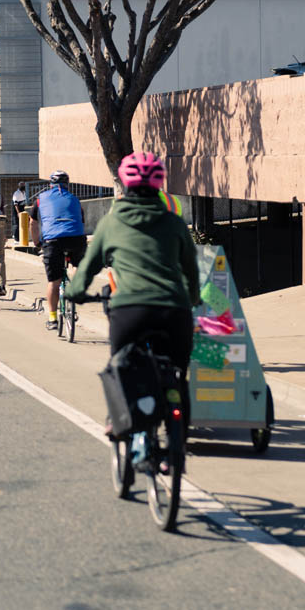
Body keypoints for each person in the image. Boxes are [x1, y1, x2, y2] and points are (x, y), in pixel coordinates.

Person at [65, 152, 200, 433]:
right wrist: (193, 299)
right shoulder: (175, 223)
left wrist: (76, 292)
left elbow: (88, 267)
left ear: (124, 185)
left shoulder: (111, 223)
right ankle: (176, 438)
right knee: (177, 373)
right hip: (174, 311)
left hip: (131, 310)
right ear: (158, 186)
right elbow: (191, 271)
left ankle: (118, 419)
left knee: (120, 365)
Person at [28, 170, 87, 330]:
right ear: (67, 185)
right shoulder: (75, 199)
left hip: (53, 241)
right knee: (77, 265)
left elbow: (33, 223)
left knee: (54, 282)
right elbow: (81, 222)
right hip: (76, 239)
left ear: (50, 185)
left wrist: (36, 243)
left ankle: (52, 319)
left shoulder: (40, 200)